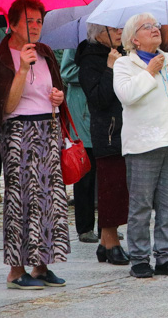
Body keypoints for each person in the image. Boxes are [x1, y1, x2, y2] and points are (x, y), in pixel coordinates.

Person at [0, 0, 69, 290]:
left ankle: (42, 265)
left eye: (39, 21)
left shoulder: (45, 53)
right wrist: (21, 69)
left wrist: (58, 97)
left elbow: (54, 90)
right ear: (13, 25)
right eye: (29, 21)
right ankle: (15, 268)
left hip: (48, 127)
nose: (35, 27)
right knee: (21, 198)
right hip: (20, 131)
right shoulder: (1, 57)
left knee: (50, 199)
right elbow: (5, 106)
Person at [113, 13, 168, 278]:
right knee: (140, 207)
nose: (154, 29)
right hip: (142, 144)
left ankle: (165, 257)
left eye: (156, 26)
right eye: (146, 27)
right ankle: (139, 258)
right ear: (133, 39)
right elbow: (127, 96)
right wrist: (150, 72)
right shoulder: (125, 64)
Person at [76, 23, 130, 266]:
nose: (120, 32)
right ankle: (111, 241)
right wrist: (110, 69)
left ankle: (104, 244)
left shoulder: (123, 54)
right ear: (98, 33)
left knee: (121, 188)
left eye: (121, 28)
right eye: (114, 29)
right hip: (107, 132)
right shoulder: (90, 59)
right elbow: (98, 99)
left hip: (126, 129)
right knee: (111, 188)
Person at [61, 48, 98, 243]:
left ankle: (107, 226)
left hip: (103, 110)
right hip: (81, 110)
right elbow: (66, 72)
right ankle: (85, 227)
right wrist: (95, 71)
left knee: (106, 175)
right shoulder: (75, 44)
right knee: (84, 174)